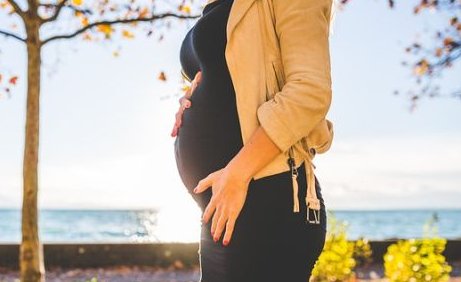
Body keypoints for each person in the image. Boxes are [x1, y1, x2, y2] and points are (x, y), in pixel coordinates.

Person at [171, 0, 335, 281]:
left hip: (268, 199)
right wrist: (190, 98)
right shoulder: (217, 5)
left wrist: (238, 173)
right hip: (224, 205)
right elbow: (230, 78)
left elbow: (310, 91)